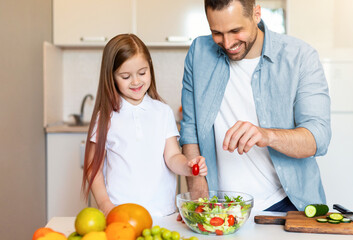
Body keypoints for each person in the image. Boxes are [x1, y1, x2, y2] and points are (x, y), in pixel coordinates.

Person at [179, 0, 331, 212]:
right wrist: (199, 200)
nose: (227, 42)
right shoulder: (199, 52)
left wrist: (266, 135)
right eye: (217, 33)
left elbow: (318, 138)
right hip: (220, 207)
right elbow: (190, 130)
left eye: (235, 30)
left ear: (256, 14)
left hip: (287, 205)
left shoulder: (300, 57)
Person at [82, 34, 207, 217]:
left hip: (163, 213)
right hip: (121, 214)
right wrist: (105, 205)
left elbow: (172, 157)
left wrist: (188, 166)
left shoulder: (163, 112)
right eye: (125, 76)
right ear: (112, 77)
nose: (136, 82)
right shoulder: (105, 117)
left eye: (142, 73)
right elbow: (93, 168)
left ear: (150, 67)